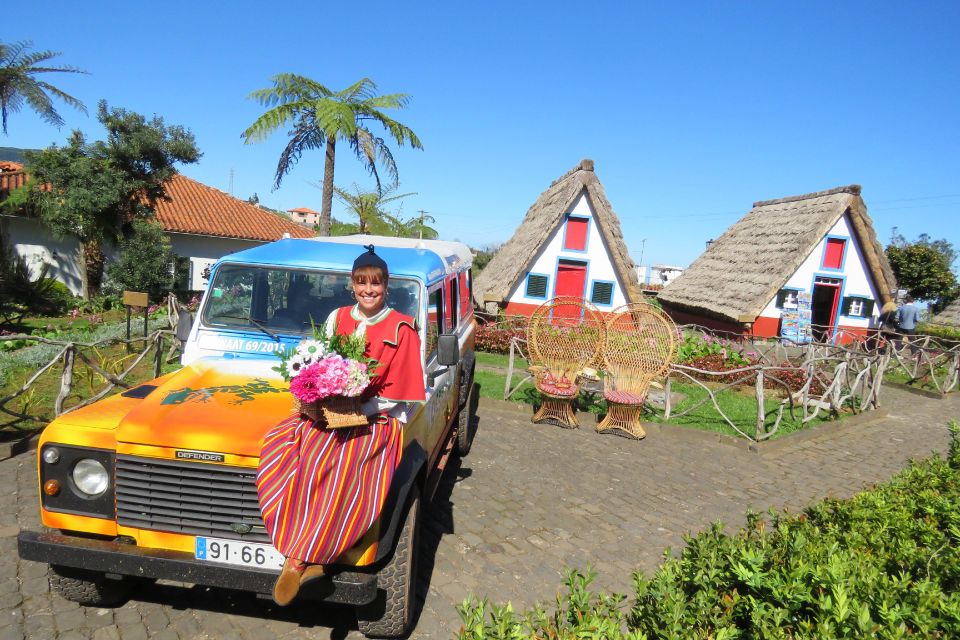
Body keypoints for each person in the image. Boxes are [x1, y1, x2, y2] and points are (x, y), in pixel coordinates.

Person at [256, 245, 426, 606]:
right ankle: (307, 549)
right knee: (284, 446)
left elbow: (400, 397)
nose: (369, 290)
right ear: (352, 285)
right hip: (334, 414)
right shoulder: (337, 318)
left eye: (376, 284)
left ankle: (301, 558)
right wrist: (319, 397)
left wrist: (357, 407)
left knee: (339, 464)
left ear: (386, 286)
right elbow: (319, 364)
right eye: (362, 283)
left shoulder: (402, 328)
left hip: (377, 419)